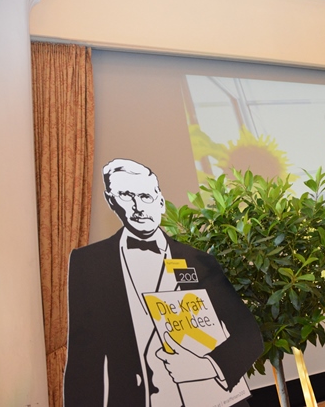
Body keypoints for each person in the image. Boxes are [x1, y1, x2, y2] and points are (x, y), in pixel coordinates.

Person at [64, 159, 263, 407]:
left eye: (145, 196)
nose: (138, 207)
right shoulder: (89, 263)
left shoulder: (199, 261)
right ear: (111, 200)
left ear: (160, 201)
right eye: (126, 195)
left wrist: (207, 366)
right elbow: (84, 357)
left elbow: (248, 333)